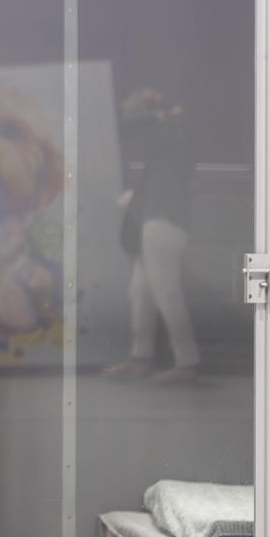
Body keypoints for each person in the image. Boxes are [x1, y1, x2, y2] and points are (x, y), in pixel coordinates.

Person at [103, 88, 200, 385]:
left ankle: (186, 362)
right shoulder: (167, 144)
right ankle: (139, 358)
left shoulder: (168, 139)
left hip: (163, 223)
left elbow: (126, 124)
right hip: (157, 223)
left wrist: (153, 111)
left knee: (166, 293)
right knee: (141, 294)